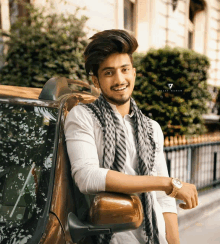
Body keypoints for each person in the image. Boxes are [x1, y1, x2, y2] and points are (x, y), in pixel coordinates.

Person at [64, 29, 198, 244]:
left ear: (133, 73)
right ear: (96, 81)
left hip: (155, 237)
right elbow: (86, 177)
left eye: (124, 69)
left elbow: (163, 199)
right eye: (108, 72)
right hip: (111, 238)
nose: (119, 79)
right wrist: (166, 183)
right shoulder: (82, 117)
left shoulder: (152, 128)